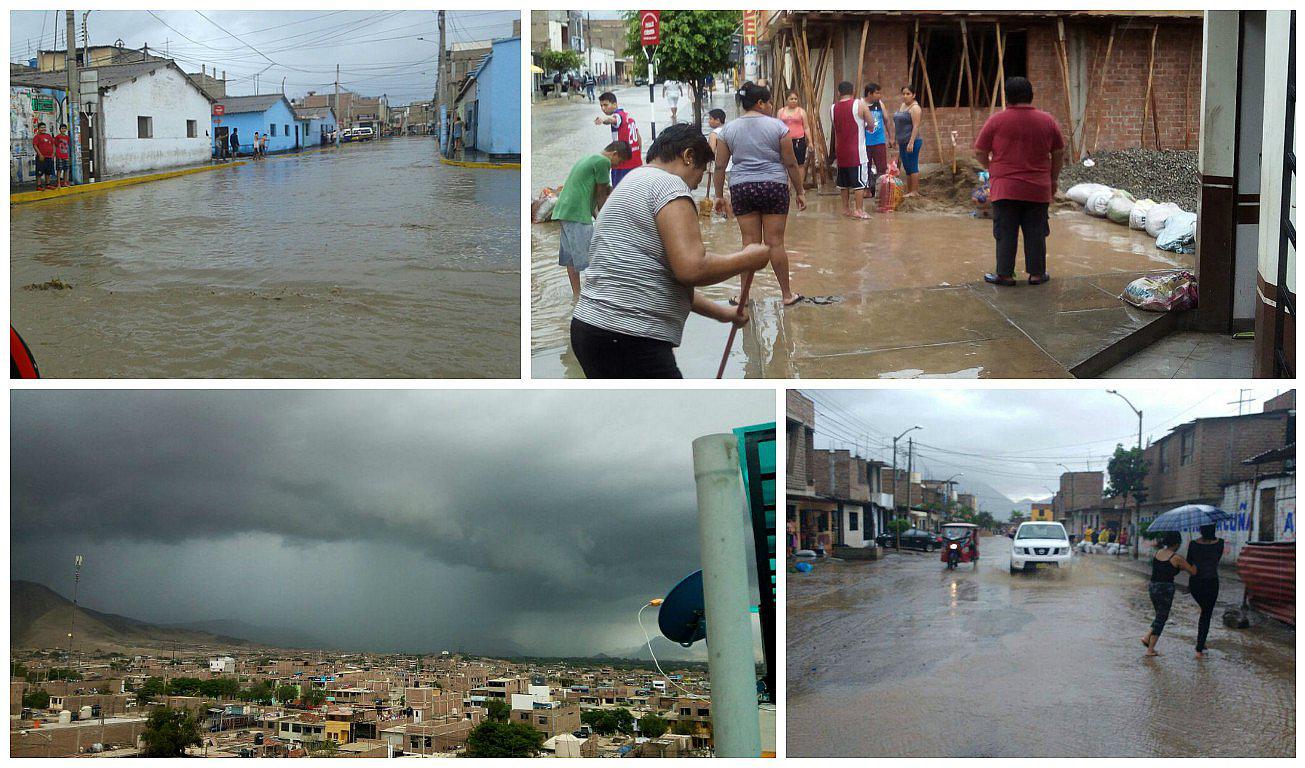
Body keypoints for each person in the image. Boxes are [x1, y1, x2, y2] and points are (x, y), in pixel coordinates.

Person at [570, 124, 771, 378]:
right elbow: (691, 268)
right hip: (628, 334)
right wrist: (748, 257)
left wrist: (722, 313)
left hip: (591, 329)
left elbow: (661, 277)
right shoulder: (670, 187)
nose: (698, 184)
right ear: (688, 156)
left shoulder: (633, 181)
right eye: (701, 172)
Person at [714, 82, 805, 307]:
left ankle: (743, 297)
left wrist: (719, 195)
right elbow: (791, 163)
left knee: (749, 244)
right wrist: (800, 191)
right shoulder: (778, 127)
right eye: (769, 101)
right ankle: (786, 295)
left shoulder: (728, 130)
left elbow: (719, 166)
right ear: (760, 103)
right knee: (776, 243)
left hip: (742, 188)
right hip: (773, 185)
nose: (772, 105)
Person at [973, 76, 1065, 287]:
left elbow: (979, 151)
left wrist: (992, 168)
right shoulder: (1047, 121)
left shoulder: (996, 121)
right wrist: (1053, 179)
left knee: (1005, 232)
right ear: (1031, 96)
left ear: (1008, 97)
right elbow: (1059, 151)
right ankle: (1037, 274)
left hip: (1005, 189)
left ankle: (1005, 275)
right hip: (1038, 188)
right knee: (1036, 232)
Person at [554, 141, 631, 297]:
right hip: (577, 214)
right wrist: (605, 221)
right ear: (614, 154)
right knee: (595, 255)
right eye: (620, 161)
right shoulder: (603, 162)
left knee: (571, 259)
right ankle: (596, 295)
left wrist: (598, 215)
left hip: (565, 210)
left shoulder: (590, 157)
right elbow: (601, 195)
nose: (617, 166)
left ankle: (577, 296)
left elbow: (596, 191)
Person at [1143, 531, 1197, 656]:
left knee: (1159, 615)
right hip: (1165, 589)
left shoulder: (1158, 553)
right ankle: (1150, 650)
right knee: (1162, 617)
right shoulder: (1176, 558)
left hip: (1152, 587)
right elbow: (1193, 572)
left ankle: (1146, 638)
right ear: (1177, 543)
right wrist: (1193, 560)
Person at [828, 80, 874, 219]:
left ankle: (846, 208)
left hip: (840, 151)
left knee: (844, 183)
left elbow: (837, 127)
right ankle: (859, 210)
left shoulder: (832, 108)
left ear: (838, 93)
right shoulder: (860, 104)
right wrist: (867, 126)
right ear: (853, 91)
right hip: (857, 152)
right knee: (859, 183)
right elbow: (871, 123)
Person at [1186, 524, 1225, 658]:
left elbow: (1188, 562)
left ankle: (1201, 644)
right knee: (1206, 614)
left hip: (1195, 582)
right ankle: (1199, 647)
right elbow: (1217, 560)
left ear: (1201, 530)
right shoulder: (1220, 543)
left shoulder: (1193, 544)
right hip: (1212, 581)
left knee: (1204, 611)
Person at [594, 92, 642, 187]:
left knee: (618, 191)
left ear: (615, 104)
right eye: (601, 106)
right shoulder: (629, 117)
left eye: (606, 105)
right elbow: (638, 137)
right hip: (636, 162)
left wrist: (603, 120)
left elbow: (613, 119)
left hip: (622, 163)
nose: (603, 108)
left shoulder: (618, 116)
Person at [776, 92, 811, 194]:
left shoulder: (801, 112)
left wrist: (810, 141)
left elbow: (806, 127)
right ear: (786, 100)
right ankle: (787, 186)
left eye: (795, 99)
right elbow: (777, 127)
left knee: (800, 164)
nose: (794, 101)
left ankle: (799, 187)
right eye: (791, 99)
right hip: (785, 141)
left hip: (799, 140)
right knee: (786, 163)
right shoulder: (781, 112)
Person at [862, 83, 892, 199]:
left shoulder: (879, 104)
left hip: (879, 141)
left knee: (881, 167)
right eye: (877, 93)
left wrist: (891, 137)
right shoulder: (861, 105)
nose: (879, 95)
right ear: (869, 94)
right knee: (866, 167)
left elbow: (886, 120)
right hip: (865, 142)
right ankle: (867, 190)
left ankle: (882, 191)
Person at [894, 86, 924, 198]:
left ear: (914, 95)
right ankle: (909, 190)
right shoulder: (903, 106)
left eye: (908, 94)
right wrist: (896, 139)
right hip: (903, 141)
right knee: (906, 167)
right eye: (904, 94)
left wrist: (911, 142)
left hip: (913, 141)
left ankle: (915, 191)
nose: (905, 96)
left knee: (912, 165)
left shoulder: (915, 108)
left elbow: (916, 126)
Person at [704, 108, 730, 204]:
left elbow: (711, 151)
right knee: (729, 190)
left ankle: (727, 213)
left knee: (722, 191)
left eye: (711, 119)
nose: (709, 121)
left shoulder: (714, 134)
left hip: (719, 167)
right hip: (731, 166)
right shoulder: (729, 130)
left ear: (718, 120)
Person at [31, 122, 55, 191]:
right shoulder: (37, 137)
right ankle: (39, 185)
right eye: (41, 127)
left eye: (44, 127)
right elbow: (35, 145)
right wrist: (40, 154)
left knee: (48, 171)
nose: (43, 129)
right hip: (41, 157)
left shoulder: (49, 136)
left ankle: (48, 184)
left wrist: (53, 154)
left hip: (49, 157)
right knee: (39, 172)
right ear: (38, 129)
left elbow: (53, 144)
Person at [54, 123, 71, 188]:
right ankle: (58, 183)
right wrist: (54, 154)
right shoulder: (57, 137)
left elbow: (68, 145)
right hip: (59, 155)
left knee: (66, 169)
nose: (63, 130)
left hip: (66, 155)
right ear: (60, 129)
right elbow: (55, 145)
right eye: (62, 128)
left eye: (64, 128)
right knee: (59, 170)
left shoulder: (67, 137)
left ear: (66, 129)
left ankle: (65, 182)